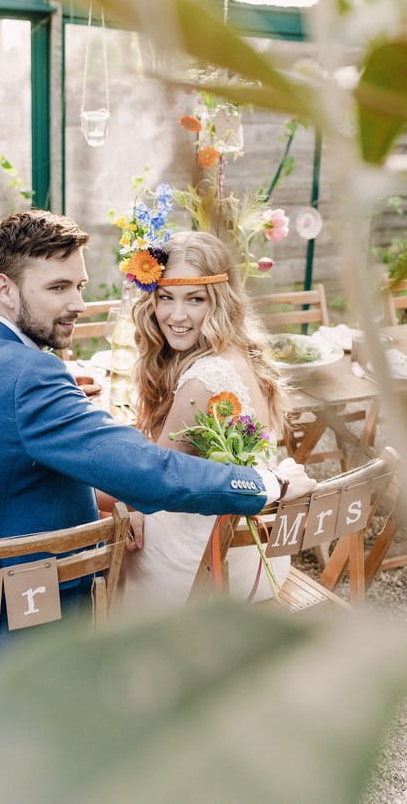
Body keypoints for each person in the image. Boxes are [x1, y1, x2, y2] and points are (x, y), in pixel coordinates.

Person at [0, 210, 315, 667]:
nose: (79, 303)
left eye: (79, 286)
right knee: (123, 552)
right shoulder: (31, 374)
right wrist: (267, 485)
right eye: (58, 288)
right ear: (5, 289)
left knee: (134, 531)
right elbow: (153, 473)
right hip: (6, 622)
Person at [117, 230, 302, 614]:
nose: (176, 315)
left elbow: (151, 484)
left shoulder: (204, 380)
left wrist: (126, 505)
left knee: (105, 530)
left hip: (212, 570)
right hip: (257, 552)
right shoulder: (242, 352)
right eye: (166, 297)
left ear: (218, 302)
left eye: (195, 300)